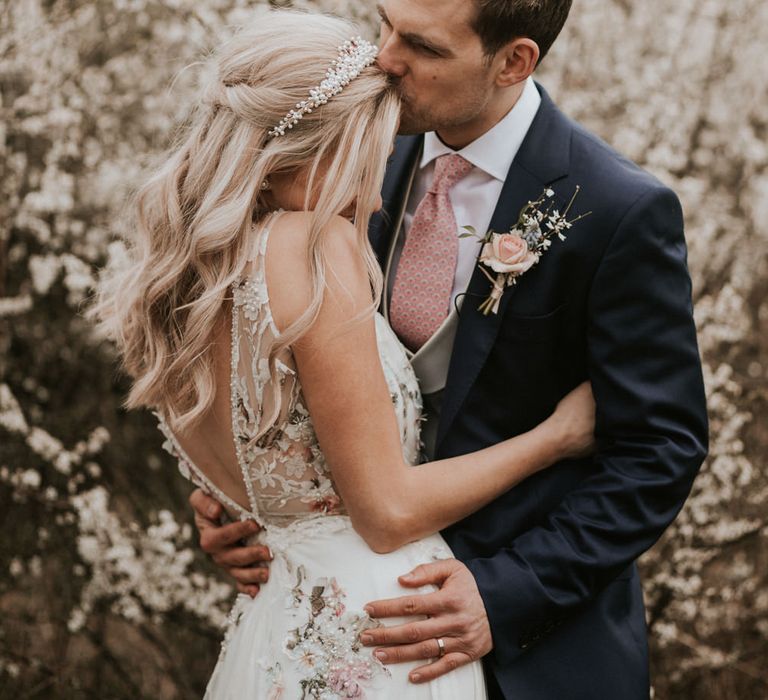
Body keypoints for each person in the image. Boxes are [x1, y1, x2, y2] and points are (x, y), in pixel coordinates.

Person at [191, 1, 710, 698]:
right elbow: (269, 350)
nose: (383, 58)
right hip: (346, 629)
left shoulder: (616, 209)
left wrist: (506, 592)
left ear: (513, 62)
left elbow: (657, 450)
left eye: (423, 47)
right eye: (384, 24)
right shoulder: (341, 158)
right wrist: (251, 502)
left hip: (539, 650)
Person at [92, 9, 598, 699]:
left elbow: (267, 473)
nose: (376, 182)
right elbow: (386, 510)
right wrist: (558, 437)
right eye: (371, 146)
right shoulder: (311, 244)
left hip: (271, 631)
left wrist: (238, 515)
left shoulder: (187, 279)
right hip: (380, 634)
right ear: (315, 145)